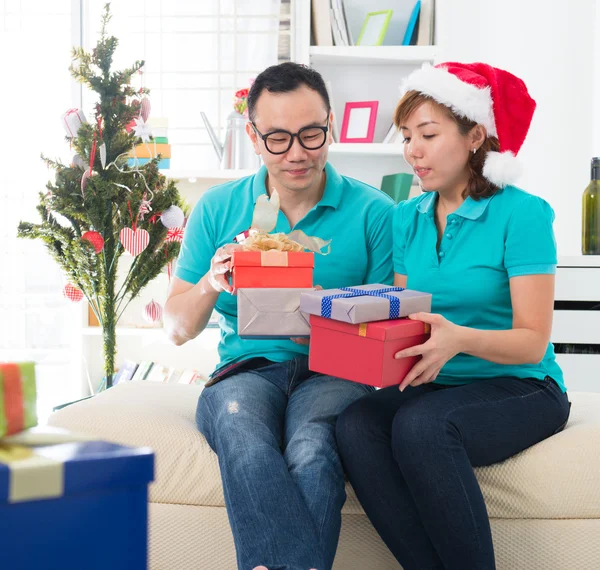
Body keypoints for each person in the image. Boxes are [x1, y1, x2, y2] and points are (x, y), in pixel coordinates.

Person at [335, 62, 571, 570]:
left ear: (474, 136)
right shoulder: (407, 218)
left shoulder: (523, 214)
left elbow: (532, 342)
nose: (412, 151)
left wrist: (459, 339)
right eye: (406, 137)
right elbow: (405, 316)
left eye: (428, 134)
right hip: (438, 380)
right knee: (355, 424)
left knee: (421, 427)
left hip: (520, 383)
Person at [164, 61, 394, 570]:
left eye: (312, 134)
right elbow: (177, 328)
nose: (297, 153)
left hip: (335, 371)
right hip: (246, 371)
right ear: (252, 135)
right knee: (244, 436)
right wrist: (210, 281)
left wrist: (325, 305)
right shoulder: (218, 207)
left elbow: (388, 328)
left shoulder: (375, 212)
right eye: (278, 138)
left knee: (313, 447)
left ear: (331, 123)